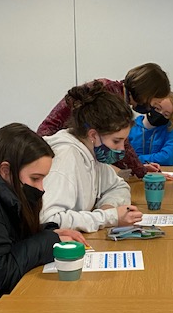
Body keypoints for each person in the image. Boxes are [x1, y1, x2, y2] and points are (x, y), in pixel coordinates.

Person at [0, 123, 86, 313]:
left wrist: (50, 233)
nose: (41, 188)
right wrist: (48, 241)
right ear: (5, 170)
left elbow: (10, 242)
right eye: (35, 178)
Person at [40, 81, 143, 233]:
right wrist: (107, 217)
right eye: (116, 141)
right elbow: (49, 220)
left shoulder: (93, 154)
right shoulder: (65, 158)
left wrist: (108, 206)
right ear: (93, 135)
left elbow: (118, 186)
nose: (121, 149)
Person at [37, 63, 171, 178]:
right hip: (57, 150)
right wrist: (140, 171)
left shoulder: (113, 89)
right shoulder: (111, 94)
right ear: (146, 92)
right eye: (155, 101)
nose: (152, 107)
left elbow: (118, 144)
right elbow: (121, 143)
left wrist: (139, 168)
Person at [128, 92, 173, 166]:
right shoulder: (130, 127)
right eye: (157, 108)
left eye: (166, 114)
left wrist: (137, 159)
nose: (160, 114)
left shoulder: (172, 129)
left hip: (166, 172)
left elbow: (168, 158)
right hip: (135, 173)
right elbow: (123, 156)